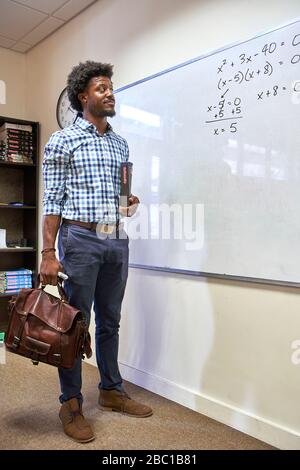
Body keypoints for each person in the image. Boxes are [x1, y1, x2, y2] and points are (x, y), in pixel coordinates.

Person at [40, 61, 152, 443]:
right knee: (74, 322)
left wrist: (128, 201)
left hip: (116, 238)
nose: (110, 93)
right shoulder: (63, 141)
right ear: (83, 97)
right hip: (80, 239)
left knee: (110, 320)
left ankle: (110, 391)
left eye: (111, 88)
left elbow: (122, 198)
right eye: (101, 88)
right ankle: (70, 402)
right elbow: (52, 199)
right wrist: (47, 252)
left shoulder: (121, 143)